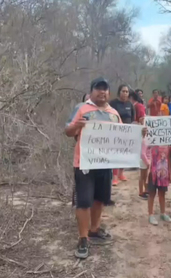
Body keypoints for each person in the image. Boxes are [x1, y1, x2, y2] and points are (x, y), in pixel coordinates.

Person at [65, 77, 119, 259]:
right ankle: (83, 238)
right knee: (84, 201)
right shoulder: (81, 108)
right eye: (98, 88)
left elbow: (124, 136)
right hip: (84, 164)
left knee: (100, 199)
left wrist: (139, 133)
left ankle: (94, 230)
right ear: (91, 92)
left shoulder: (114, 113)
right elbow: (68, 131)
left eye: (105, 89)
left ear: (109, 93)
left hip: (105, 164)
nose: (102, 92)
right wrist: (76, 126)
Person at [109, 84, 135, 186]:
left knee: (124, 153)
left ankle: (121, 173)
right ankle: (114, 177)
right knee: (116, 154)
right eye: (123, 91)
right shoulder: (113, 103)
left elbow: (133, 118)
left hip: (127, 133)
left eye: (127, 92)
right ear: (119, 92)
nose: (125, 93)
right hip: (115, 133)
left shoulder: (130, 104)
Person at [147, 143, 171, 225]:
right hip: (152, 172)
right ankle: (151, 214)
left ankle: (163, 213)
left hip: (163, 173)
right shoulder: (151, 142)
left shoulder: (167, 144)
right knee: (152, 194)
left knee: (162, 194)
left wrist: (170, 173)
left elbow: (169, 158)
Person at [139, 118, 150, 200]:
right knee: (143, 176)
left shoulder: (147, 139)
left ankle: (146, 190)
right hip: (143, 160)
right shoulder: (143, 141)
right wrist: (147, 162)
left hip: (146, 160)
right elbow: (142, 153)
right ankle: (141, 191)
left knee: (145, 176)